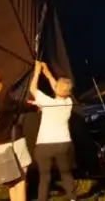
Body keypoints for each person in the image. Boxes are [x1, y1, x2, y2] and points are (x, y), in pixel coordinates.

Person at [0, 70, 37, 201]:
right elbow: (20, 106)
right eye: (0, 81)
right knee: (20, 180)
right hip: (14, 143)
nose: (2, 84)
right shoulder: (5, 99)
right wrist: (35, 106)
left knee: (11, 180)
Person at [27, 61, 76, 201]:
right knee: (65, 172)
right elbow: (58, 88)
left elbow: (32, 89)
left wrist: (37, 72)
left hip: (45, 144)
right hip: (63, 143)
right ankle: (72, 197)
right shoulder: (69, 103)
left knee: (44, 175)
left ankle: (42, 198)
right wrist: (47, 72)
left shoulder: (47, 102)